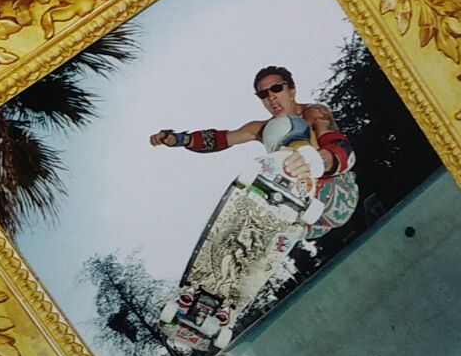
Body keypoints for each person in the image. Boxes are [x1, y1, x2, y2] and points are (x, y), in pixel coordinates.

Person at [149, 64, 358, 237]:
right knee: (260, 167)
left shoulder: (313, 112)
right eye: (263, 94)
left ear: (292, 90)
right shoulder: (260, 128)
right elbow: (222, 139)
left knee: (285, 128)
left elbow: (337, 143)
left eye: (277, 89)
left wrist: (317, 161)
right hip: (308, 222)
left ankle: (299, 190)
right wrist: (180, 139)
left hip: (337, 195)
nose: (271, 98)